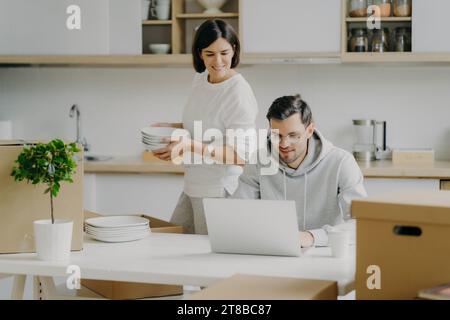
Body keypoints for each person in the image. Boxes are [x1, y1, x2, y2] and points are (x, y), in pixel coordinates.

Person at [152, 19, 258, 235]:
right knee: (170, 245)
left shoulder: (238, 92)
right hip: (193, 185)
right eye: (209, 54)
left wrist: (188, 145)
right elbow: (203, 124)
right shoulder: (201, 80)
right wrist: (171, 128)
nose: (218, 61)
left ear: (234, 50)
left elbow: (241, 155)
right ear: (200, 54)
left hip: (219, 191)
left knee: (206, 260)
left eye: (224, 53)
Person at [232, 94, 367, 248]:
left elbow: (362, 224)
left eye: (293, 135)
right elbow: (237, 215)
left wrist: (311, 237)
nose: (284, 144)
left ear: (310, 130)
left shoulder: (341, 162)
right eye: (277, 136)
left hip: (324, 254)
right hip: (272, 252)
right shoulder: (258, 162)